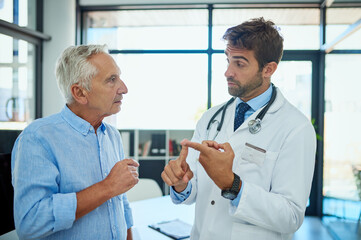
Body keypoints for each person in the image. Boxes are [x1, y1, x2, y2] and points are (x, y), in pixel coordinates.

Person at [161, 17, 316, 240]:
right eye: (228, 60)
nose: (228, 72)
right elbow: (192, 190)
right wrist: (180, 184)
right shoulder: (211, 118)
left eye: (240, 63)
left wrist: (232, 185)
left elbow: (291, 216)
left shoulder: (295, 127)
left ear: (268, 69)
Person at [11, 45, 139, 240]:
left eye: (119, 77)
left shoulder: (111, 135)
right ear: (80, 93)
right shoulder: (37, 138)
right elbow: (30, 223)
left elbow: (120, 201)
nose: (124, 88)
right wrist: (107, 187)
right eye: (111, 80)